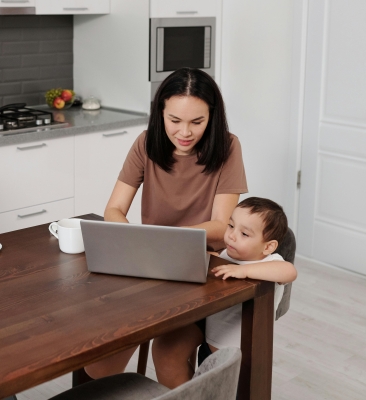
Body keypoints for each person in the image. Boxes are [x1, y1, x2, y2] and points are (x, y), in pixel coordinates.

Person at [85, 68, 248, 386]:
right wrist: (136, 239)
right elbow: (114, 209)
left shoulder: (228, 147)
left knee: (168, 353)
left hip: (202, 273)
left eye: (196, 122)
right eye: (174, 120)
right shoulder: (146, 143)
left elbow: (220, 226)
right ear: (160, 113)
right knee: (100, 362)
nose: (184, 132)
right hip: (149, 267)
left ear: (211, 118)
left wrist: (171, 240)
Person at [203, 197, 298, 356]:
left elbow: (289, 272)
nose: (232, 235)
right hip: (210, 342)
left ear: (268, 246)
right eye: (231, 226)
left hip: (240, 351)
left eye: (244, 234)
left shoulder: (271, 261)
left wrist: (244, 271)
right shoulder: (228, 254)